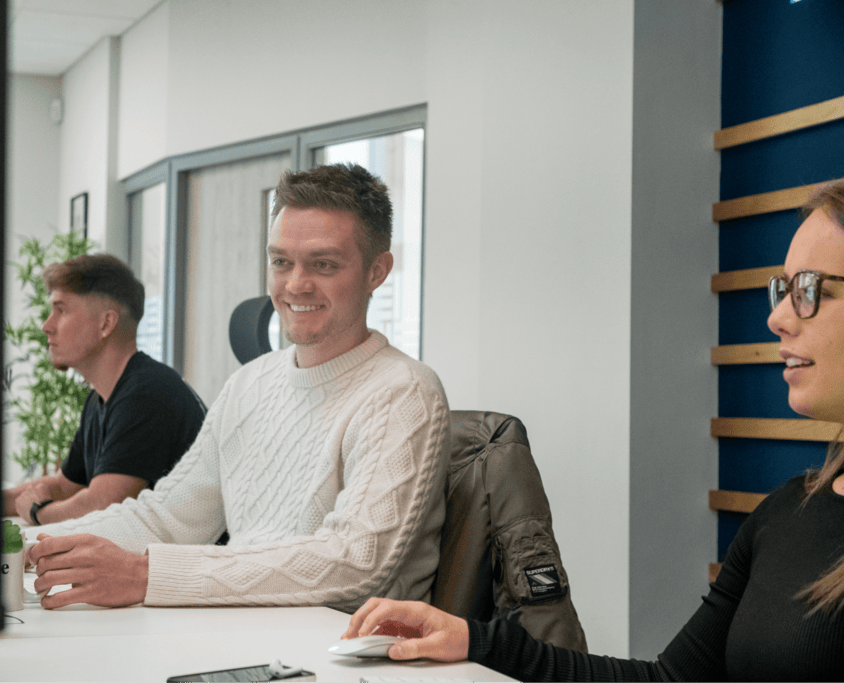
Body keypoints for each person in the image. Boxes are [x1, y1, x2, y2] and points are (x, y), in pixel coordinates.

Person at [342, 179, 844, 680]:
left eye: (809, 291)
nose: (777, 317)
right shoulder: (787, 511)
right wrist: (475, 641)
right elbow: (670, 680)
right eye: (783, 290)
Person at [27, 164, 451, 612]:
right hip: (240, 632)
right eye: (281, 262)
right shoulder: (249, 384)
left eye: (323, 264)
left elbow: (354, 562)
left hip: (339, 656)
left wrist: (147, 575)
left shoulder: (403, 392)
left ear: (376, 271)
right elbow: (168, 518)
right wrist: (30, 544)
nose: (295, 284)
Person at [3, 253, 206, 527]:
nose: (46, 326)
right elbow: (64, 487)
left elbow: (104, 508)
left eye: (61, 310)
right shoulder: (100, 398)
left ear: (106, 324)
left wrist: (39, 512)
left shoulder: (147, 393)